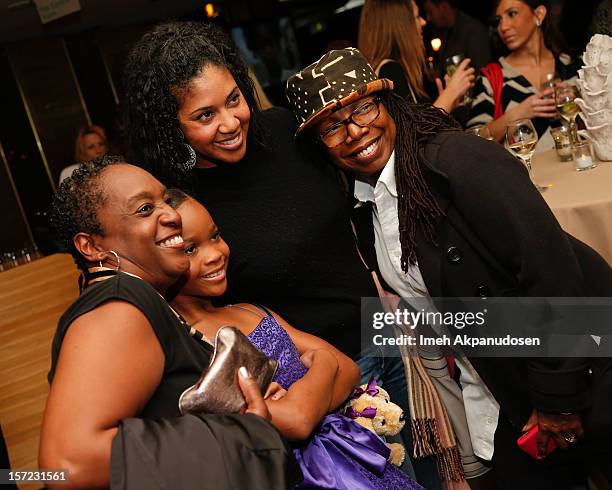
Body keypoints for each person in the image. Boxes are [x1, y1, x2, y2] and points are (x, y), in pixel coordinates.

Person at [285, 48, 612, 490]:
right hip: (506, 388)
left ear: (390, 103)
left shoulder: (458, 162)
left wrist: (558, 399)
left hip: (581, 368)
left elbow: (554, 274)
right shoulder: (367, 202)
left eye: (364, 107)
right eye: (331, 126)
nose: (355, 130)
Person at [121, 20, 427, 485]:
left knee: (424, 476)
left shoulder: (286, 131)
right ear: (169, 124)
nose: (229, 123)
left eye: (233, 100)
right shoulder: (175, 206)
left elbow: (354, 201)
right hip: (316, 378)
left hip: (385, 335)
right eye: (203, 116)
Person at [39, 156, 299, 489]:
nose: (171, 215)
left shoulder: (143, 302)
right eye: (145, 209)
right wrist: (244, 431)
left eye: (164, 200)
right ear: (91, 246)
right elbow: (66, 465)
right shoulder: (120, 304)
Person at [167, 190, 424, 489]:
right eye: (190, 249)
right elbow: (299, 422)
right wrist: (324, 366)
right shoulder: (193, 343)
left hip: (356, 461)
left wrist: (304, 396)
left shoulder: (247, 311)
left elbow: (350, 371)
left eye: (214, 236)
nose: (214, 254)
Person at [467, 0, 579, 142]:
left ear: (538, 14)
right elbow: (472, 144)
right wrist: (520, 112)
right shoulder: (490, 79)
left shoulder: (573, 65)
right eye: (499, 20)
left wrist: (579, 103)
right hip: (522, 165)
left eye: (512, 14)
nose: (503, 27)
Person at [358, 0, 475, 114]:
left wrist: (449, 102)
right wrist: (450, 95)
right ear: (400, 26)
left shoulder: (395, 69)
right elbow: (413, 132)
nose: (424, 22)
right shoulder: (389, 70)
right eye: (417, 17)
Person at [422, 0, 493, 69]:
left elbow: (483, 70)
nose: (428, 18)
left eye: (430, 12)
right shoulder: (441, 33)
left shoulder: (474, 31)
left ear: (444, 7)